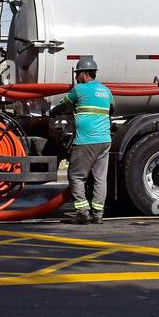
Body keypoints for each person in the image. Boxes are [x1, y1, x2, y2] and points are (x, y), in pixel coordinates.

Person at [54, 57, 114, 225]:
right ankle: (98, 214)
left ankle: (82, 213)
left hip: (86, 140)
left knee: (76, 176)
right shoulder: (106, 90)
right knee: (100, 178)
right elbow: (112, 110)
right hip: (104, 140)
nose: (75, 78)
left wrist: (52, 113)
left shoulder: (79, 89)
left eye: (77, 74)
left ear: (84, 74)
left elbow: (63, 105)